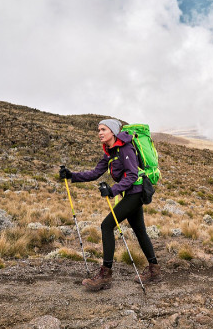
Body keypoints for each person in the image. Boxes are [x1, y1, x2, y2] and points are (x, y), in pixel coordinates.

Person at [59, 119, 160, 290]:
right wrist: (72, 176)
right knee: (140, 230)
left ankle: (105, 275)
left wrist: (113, 190)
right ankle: (154, 269)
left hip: (136, 193)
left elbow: (132, 175)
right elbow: (95, 173)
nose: (99, 133)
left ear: (112, 131)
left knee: (106, 225)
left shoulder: (125, 148)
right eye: (98, 129)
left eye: (103, 129)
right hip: (129, 193)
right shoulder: (110, 151)